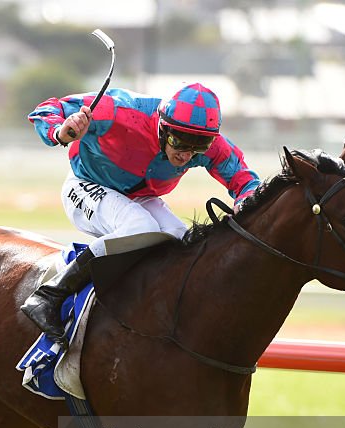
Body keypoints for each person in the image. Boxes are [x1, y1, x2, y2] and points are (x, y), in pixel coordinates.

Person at [21, 82, 261, 347]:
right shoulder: (119, 110)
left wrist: (245, 200)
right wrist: (59, 131)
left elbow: (245, 180)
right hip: (86, 184)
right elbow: (46, 110)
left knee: (181, 241)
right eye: (179, 142)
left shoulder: (206, 144)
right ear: (162, 127)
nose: (186, 155)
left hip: (139, 196)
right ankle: (49, 295)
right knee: (140, 226)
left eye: (200, 145)